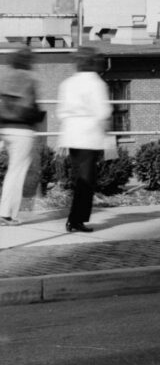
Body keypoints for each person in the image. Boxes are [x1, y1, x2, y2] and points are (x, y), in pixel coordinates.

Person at [55, 51, 114, 234]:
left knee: (80, 178)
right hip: (89, 135)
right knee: (87, 180)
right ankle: (76, 219)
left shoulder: (67, 83)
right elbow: (103, 111)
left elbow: (61, 112)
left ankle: (75, 218)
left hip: (71, 134)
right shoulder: (97, 83)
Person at [1, 46, 46, 221]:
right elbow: (29, 107)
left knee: (13, 171)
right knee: (16, 172)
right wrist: (39, 115)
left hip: (4, 127)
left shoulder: (6, 77)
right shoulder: (30, 78)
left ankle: (5, 213)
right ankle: (6, 214)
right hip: (22, 130)